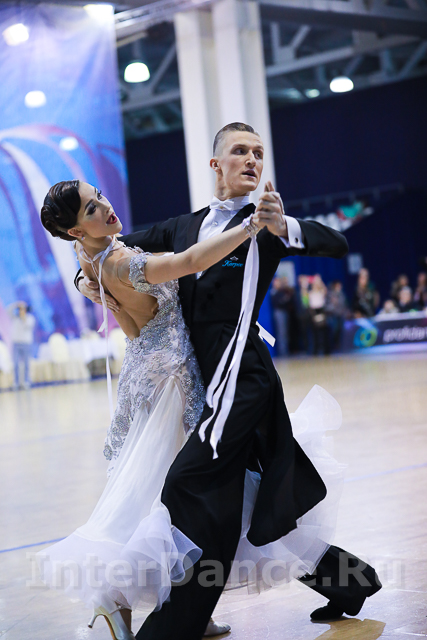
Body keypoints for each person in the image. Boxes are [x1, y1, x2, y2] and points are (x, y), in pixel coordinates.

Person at [76, 123, 381, 638]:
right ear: (216, 163)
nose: (252, 160)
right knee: (254, 502)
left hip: (243, 379)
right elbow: (114, 250)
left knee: (190, 487)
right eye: (240, 151)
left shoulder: (264, 223)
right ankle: (352, 583)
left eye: (259, 153)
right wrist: (83, 274)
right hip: (200, 383)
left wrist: (285, 225)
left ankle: (168, 625)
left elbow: (337, 241)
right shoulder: (184, 226)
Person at [7, 301, 35, 390]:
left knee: (26, 363)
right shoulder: (15, 318)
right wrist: (16, 304)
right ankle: (16, 382)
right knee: (15, 364)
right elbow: (8, 311)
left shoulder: (30, 318)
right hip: (16, 343)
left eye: (23, 309)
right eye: (20, 309)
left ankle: (26, 381)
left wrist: (23, 316)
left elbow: (27, 325)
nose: (21, 311)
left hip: (26, 343)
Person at [270, 276, 295, 356]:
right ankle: (283, 352)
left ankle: (286, 350)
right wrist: (284, 300)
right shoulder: (273, 292)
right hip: (279, 313)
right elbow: (277, 302)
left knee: (285, 332)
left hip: (284, 312)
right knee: (281, 333)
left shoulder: (283, 291)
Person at [308, 274, 330, 355]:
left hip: (321, 312)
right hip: (314, 313)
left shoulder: (321, 292)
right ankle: (316, 350)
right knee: (315, 334)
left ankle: (326, 350)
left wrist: (319, 281)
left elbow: (325, 290)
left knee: (324, 333)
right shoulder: (310, 293)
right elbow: (306, 301)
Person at [325, 280, 348, 352]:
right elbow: (327, 306)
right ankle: (332, 347)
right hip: (333, 316)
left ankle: (339, 346)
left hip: (341, 316)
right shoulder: (330, 294)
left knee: (340, 331)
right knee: (334, 331)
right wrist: (333, 304)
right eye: (338, 286)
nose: (339, 287)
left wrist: (345, 312)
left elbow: (344, 305)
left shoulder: (342, 294)